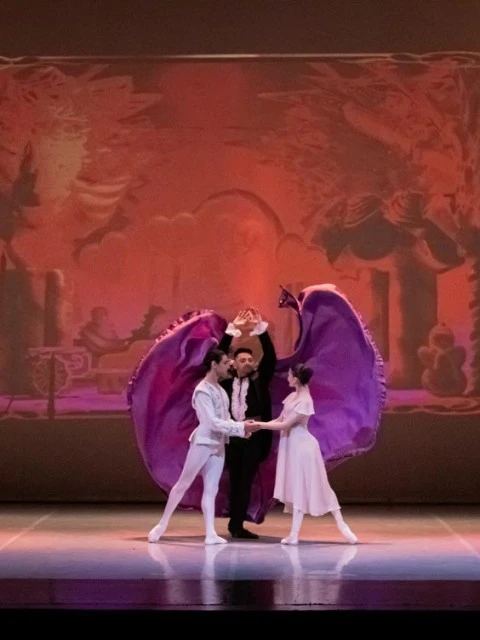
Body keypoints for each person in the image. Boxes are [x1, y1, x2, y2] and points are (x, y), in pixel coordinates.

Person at [147, 348, 256, 545]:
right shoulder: (202, 391)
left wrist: (242, 429)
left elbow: (225, 419)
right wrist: (240, 427)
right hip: (203, 443)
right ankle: (162, 525)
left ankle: (210, 533)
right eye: (225, 363)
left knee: (212, 489)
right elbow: (211, 422)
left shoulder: (220, 391)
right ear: (214, 365)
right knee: (184, 483)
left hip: (218, 444)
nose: (229, 366)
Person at [250, 363, 358, 546]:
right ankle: (294, 534)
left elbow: (285, 425)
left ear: (296, 379)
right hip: (291, 445)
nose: (287, 378)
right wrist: (258, 425)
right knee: (296, 487)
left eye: (290, 375)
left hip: (302, 447)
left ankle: (339, 525)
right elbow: (280, 420)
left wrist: (259, 426)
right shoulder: (292, 397)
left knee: (315, 486)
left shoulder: (305, 401)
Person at [218, 308, 277, 539]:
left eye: (250, 360)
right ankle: (233, 523)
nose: (247, 363)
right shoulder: (225, 380)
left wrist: (260, 330)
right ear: (233, 363)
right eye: (242, 360)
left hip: (253, 439)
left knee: (244, 482)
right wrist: (232, 329)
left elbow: (270, 357)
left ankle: (237, 525)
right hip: (231, 437)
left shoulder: (259, 380)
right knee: (233, 481)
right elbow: (217, 356)